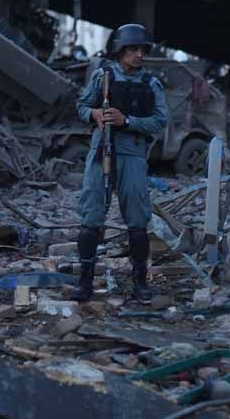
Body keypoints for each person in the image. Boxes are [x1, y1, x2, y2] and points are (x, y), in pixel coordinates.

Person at [72, 23, 168, 303]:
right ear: (120, 50)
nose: (139, 55)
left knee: (137, 221)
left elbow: (160, 122)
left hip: (133, 155)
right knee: (91, 218)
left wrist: (127, 120)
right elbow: (80, 106)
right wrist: (95, 115)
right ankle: (85, 283)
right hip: (101, 150)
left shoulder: (151, 83)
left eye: (142, 50)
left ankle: (140, 284)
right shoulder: (102, 76)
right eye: (133, 49)